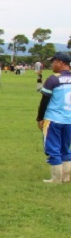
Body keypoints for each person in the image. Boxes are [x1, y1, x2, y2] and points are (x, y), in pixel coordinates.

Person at [35, 52, 71, 184]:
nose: (52, 65)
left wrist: (40, 118)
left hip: (53, 119)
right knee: (65, 148)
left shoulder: (53, 79)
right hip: (69, 120)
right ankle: (66, 177)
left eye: (54, 62)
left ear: (61, 63)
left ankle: (56, 178)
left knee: (53, 148)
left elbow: (44, 100)